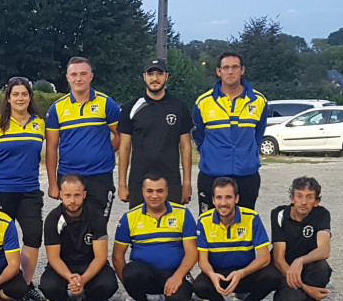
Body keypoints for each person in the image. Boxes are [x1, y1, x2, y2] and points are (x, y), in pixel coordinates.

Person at [0, 76, 46, 301]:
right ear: (8, 98)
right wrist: (1, 176)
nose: (20, 98)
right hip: (1, 191)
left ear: (30, 97)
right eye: (15, 94)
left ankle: (24, 285)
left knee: (33, 235)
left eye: (24, 94)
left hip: (29, 190)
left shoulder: (39, 123)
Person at [191, 177, 281, 301]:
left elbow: (265, 257)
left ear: (236, 198)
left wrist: (241, 273)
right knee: (199, 286)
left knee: (273, 276)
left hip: (244, 273)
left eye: (228, 197)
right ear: (213, 200)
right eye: (219, 197)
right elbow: (203, 260)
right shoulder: (204, 220)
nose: (223, 203)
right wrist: (212, 275)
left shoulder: (251, 217)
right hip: (219, 274)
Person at [112, 174, 197, 301]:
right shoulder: (130, 217)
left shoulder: (183, 214)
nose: (154, 195)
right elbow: (117, 256)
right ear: (143, 191)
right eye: (150, 191)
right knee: (131, 271)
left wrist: (178, 276)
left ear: (167, 192)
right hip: (145, 275)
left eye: (160, 191)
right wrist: (130, 287)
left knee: (180, 300)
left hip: (173, 274)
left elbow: (192, 252)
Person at [45, 56, 120, 221]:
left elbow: (121, 135)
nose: (78, 78)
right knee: (72, 227)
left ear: (91, 76)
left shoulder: (106, 103)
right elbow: (51, 147)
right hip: (68, 176)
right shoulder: (57, 108)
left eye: (83, 74)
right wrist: (52, 183)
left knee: (98, 227)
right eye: (74, 74)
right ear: (68, 78)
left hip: (100, 175)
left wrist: (106, 151)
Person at [192, 52, 267, 214]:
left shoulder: (259, 100)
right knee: (208, 223)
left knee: (245, 224)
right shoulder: (204, 102)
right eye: (226, 67)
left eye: (235, 67)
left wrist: (248, 155)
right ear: (219, 71)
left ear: (242, 70)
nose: (230, 72)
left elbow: (258, 134)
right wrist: (209, 153)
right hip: (212, 175)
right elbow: (198, 136)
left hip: (246, 176)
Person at [39, 174, 118, 301]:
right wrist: (70, 278)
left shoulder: (96, 217)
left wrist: (82, 280)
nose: (72, 200)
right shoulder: (53, 219)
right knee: (48, 286)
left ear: (84, 195)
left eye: (77, 195)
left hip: (89, 263)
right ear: (61, 195)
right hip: (64, 264)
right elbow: (53, 257)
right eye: (68, 195)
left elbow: (101, 257)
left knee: (109, 284)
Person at [118, 58, 193, 208]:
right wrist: (122, 184)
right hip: (139, 179)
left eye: (159, 73)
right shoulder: (130, 108)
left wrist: (187, 183)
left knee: (172, 222)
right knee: (139, 222)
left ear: (167, 76)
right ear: (144, 77)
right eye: (150, 74)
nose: (155, 78)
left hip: (171, 179)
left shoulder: (179, 107)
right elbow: (124, 148)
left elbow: (186, 147)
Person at [267, 176, 332, 301]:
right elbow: (278, 258)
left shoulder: (322, 214)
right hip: (284, 268)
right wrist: (306, 288)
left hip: (305, 265)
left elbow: (324, 250)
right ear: (292, 198)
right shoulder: (279, 214)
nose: (303, 202)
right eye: (299, 196)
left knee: (322, 267)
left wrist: (300, 261)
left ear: (316, 201)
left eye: (309, 197)